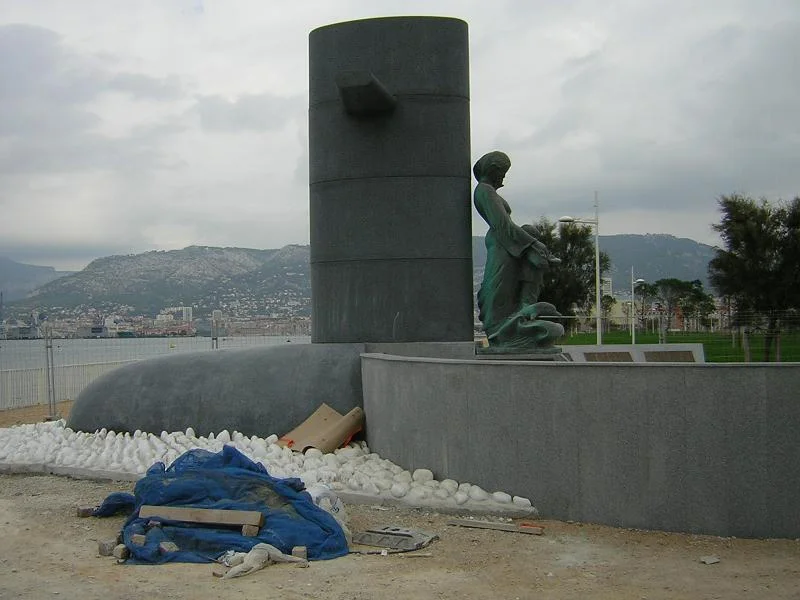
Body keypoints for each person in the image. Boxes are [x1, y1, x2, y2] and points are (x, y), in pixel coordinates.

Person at [473, 151, 560, 338]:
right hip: (501, 244)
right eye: (503, 172)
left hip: (505, 243)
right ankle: (501, 329)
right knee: (498, 289)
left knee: (530, 240)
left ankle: (522, 309)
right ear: (494, 169)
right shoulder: (484, 190)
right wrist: (533, 245)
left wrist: (532, 243)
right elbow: (502, 224)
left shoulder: (487, 191)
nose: (504, 177)